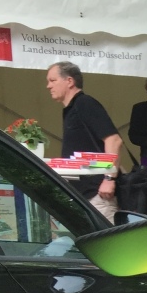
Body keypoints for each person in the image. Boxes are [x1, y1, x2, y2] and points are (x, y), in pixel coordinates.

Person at [46, 61, 121, 222]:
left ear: (69, 81)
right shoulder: (71, 109)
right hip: (83, 197)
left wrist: (109, 179)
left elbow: (114, 140)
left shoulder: (85, 103)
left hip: (98, 195)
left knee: (105, 244)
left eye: (52, 81)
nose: (48, 86)